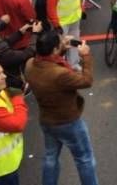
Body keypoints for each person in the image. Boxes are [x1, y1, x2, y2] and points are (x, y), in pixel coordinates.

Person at [25, 30, 98, 185]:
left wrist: (63, 46)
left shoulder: (30, 64)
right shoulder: (59, 74)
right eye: (60, 42)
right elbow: (86, 80)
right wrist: (85, 56)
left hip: (47, 120)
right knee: (84, 159)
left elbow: (50, 59)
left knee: (50, 158)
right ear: (53, 49)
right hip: (68, 122)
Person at [0, 17, 41, 90]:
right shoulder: (0, 50)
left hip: (3, 82)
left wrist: (21, 31)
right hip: (12, 84)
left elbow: (5, 42)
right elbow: (27, 53)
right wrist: (35, 34)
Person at [46, 0, 83, 69]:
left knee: (74, 40)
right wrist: (55, 23)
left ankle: (73, 62)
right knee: (61, 46)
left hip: (74, 16)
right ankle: (59, 65)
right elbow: (51, 6)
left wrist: (81, 9)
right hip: (61, 21)